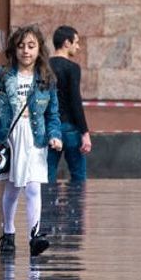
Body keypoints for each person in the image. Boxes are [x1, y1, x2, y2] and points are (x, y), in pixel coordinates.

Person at [0, 24, 63, 257]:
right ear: (14, 49)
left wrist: (55, 135)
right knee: (14, 188)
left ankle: (35, 236)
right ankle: (8, 232)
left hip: (36, 138)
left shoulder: (47, 79)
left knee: (34, 187)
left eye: (31, 46)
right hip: (10, 138)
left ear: (39, 49)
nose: (26, 51)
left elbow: (53, 114)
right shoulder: (3, 75)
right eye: (21, 46)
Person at [47, 25, 92, 182]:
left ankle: (48, 206)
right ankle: (76, 205)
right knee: (78, 176)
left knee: (47, 175)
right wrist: (85, 132)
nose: (78, 47)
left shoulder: (44, 66)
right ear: (67, 42)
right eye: (76, 42)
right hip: (70, 129)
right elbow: (75, 100)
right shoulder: (72, 68)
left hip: (50, 129)